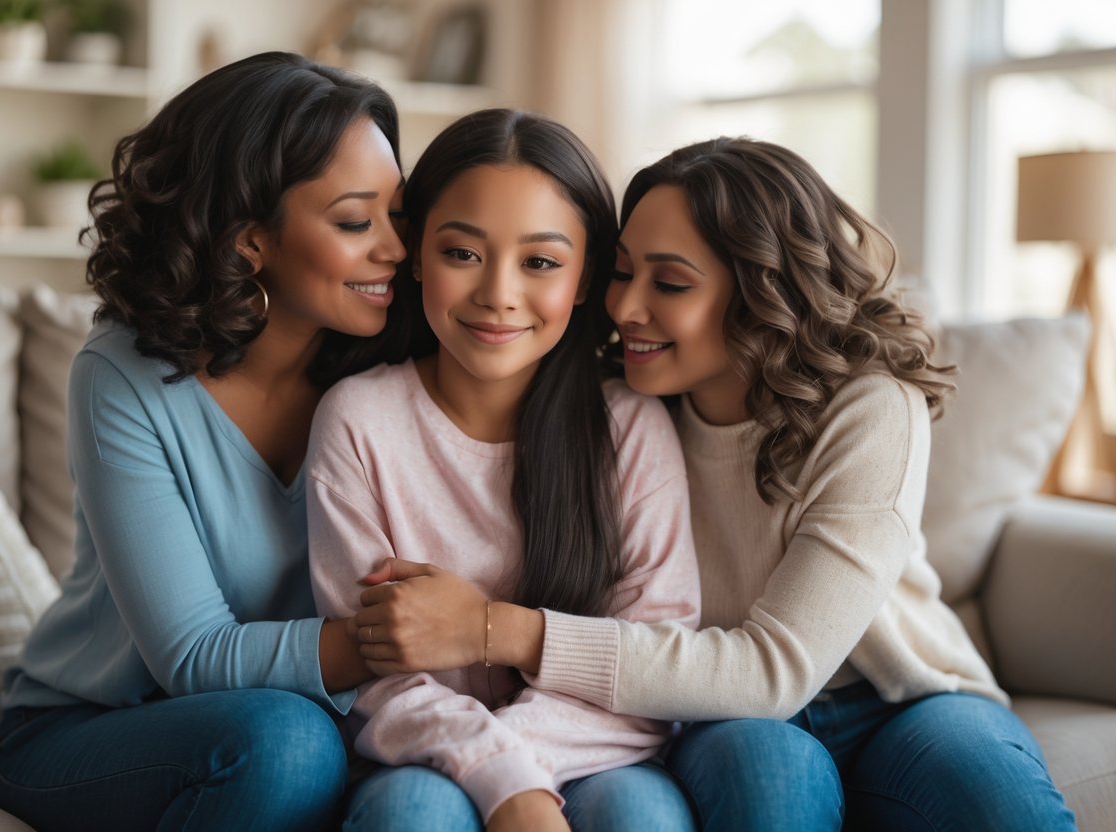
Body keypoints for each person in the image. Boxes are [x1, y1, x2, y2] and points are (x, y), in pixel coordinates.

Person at [348, 137, 1078, 831]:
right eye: (622, 271)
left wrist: (493, 628)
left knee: (998, 805)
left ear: (761, 291)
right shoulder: (629, 404)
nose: (625, 307)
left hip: (896, 697)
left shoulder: (869, 409)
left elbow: (775, 669)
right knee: (767, 780)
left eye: (668, 282)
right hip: (714, 711)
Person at [0, 52, 408, 831]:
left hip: (303, 724)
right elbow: (190, 658)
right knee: (285, 744)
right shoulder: (121, 377)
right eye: (355, 222)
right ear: (250, 243)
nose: (395, 249)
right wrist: (398, 640)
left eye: (397, 215)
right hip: (91, 729)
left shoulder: (389, 371)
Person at [305, 108, 701, 832]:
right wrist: (504, 783)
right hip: (417, 755)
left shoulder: (630, 428)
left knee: (640, 817)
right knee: (413, 816)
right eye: (462, 253)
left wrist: (507, 769)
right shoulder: (358, 420)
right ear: (416, 254)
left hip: (597, 749)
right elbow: (374, 674)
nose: (498, 293)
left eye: (540, 262)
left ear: (584, 280)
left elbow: (655, 661)